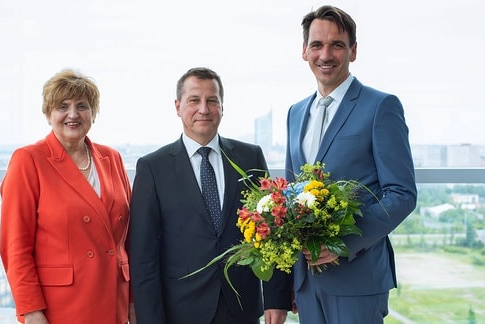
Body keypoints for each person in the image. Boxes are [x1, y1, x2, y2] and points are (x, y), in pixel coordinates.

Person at [276, 5, 418, 323]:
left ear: (353, 51)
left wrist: (342, 245)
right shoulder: (295, 113)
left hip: (358, 279)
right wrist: (285, 281)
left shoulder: (381, 107)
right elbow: (288, 196)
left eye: (337, 45)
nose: (325, 55)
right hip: (307, 283)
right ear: (304, 51)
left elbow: (402, 193)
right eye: (317, 45)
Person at [128, 67, 289, 324]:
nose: (203, 109)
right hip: (180, 312)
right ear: (178, 106)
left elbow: (274, 231)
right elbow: (143, 256)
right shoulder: (152, 168)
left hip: (242, 308)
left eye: (212, 100)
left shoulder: (251, 157)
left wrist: (276, 299)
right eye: (194, 100)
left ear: (222, 107)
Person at [0, 69, 135, 324]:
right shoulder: (28, 160)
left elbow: (129, 240)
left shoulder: (112, 158)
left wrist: (133, 300)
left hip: (114, 299)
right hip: (61, 307)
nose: (73, 114)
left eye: (82, 106)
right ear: (48, 114)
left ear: (93, 113)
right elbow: (15, 246)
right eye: (63, 106)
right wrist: (31, 311)